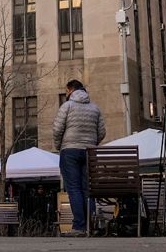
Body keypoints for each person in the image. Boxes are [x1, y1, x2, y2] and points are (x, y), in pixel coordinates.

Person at [53, 79, 105, 237]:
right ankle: (91, 225)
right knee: (86, 190)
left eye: (66, 91)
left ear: (70, 90)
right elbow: (102, 132)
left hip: (70, 151)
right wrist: (91, 142)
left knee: (74, 189)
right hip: (89, 151)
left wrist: (58, 146)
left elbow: (57, 129)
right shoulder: (95, 108)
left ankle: (79, 227)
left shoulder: (67, 106)